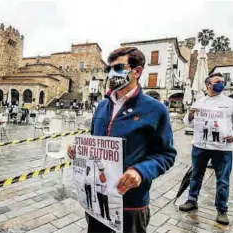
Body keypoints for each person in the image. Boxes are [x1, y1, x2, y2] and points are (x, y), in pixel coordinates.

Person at [68, 47, 176, 233]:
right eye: (108, 69)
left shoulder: (156, 110)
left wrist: (141, 171)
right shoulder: (102, 106)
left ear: (137, 71)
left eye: (118, 68)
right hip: (97, 199)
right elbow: (96, 141)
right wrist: (80, 149)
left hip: (131, 203)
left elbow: (166, 154)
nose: (111, 73)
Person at [179, 72, 233, 225]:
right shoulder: (199, 102)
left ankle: (222, 210)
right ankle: (192, 200)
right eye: (217, 81)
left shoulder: (231, 103)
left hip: (223, 148)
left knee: (223, 180)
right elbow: (188, 123)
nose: (221, 83)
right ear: (208, 85)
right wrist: (190, 114)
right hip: (200, 145)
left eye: (222, 81)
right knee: (196, 175)